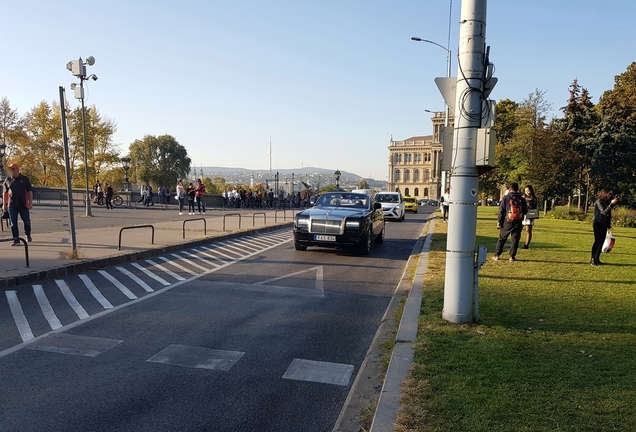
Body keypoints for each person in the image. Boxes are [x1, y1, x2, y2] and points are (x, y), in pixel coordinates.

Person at [492, 182, 527, 262]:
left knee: (502, 238)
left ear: (510, 189)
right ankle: (512, 256)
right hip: (518, 221)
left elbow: (501, 211)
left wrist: (499, 221)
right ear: (518, 189)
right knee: (515, 240)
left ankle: (497, 255)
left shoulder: (506, 198)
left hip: (507, 221)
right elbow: (525, 211)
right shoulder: (522, 199)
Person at [2, 163, 34, 245]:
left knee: (26, 222)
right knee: (13, 223)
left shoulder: (24, 179)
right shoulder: (8, 179)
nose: (11, 171)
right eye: (10, 169)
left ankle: (28, 235)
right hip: (12, 205)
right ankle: (16, 239)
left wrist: (30, 202)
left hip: (23, 204)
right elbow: (5, 192)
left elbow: (29, 191)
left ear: (17, 170)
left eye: (13, 169)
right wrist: (4, 204)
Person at [590, 188, 618, 266]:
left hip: (604, 224)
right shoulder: (599, 201)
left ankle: (597, 258)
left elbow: (608, 213)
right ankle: (592, 259)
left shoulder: (607, 202)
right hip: (598, 223)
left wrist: (608, 224)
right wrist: (611, 204)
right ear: (605, 194)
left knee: (602, 241)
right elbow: (603, 212)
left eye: (611, 194)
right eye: (609, 194)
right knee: (597, 241)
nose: (610, 196)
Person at [522, 185, 537, 249]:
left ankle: (526, 244)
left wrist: (528, 205)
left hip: (530, 215)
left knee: (528, 230)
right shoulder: (523, 198)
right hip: (523, 214)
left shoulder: (534, 198)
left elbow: (534, 207)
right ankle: (515, 243)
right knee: (518, 229)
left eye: (528, 190)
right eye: (525, 191)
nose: (527, 192)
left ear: (531, 190)